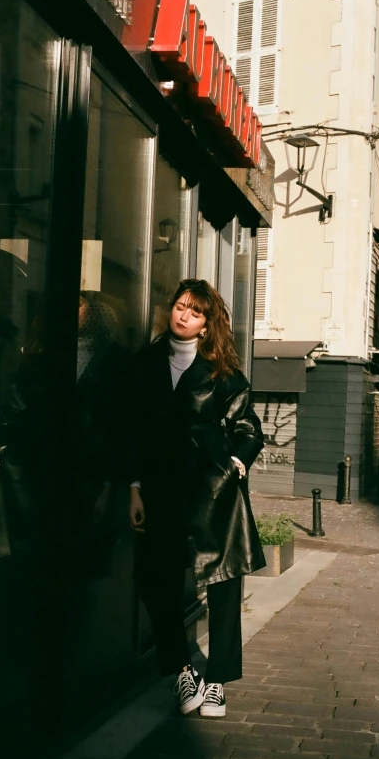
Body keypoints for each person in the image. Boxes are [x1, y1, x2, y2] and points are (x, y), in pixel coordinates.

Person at [129, 278, 265, 718]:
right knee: (157, 582)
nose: (183, 315)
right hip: (160, 492)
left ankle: (217, 681)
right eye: (179, 307)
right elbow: (131, 432)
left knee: (223, 587)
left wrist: (235, 468)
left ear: (207, 325)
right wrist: (134, 487)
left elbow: (248, 428)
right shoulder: (146, 363)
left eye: (195, 311)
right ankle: (182, 669)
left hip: (213, 494)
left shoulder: (223, 374)